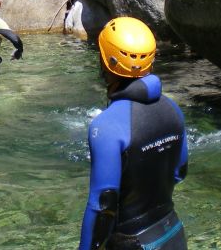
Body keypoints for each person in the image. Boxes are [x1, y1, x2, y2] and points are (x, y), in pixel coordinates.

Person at [79, 17, 188, 250]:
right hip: (173, 234)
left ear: (105, 60)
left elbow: (102, 205)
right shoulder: (173, 110)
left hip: (131, 242)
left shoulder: (107, 126)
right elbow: (180, 172)